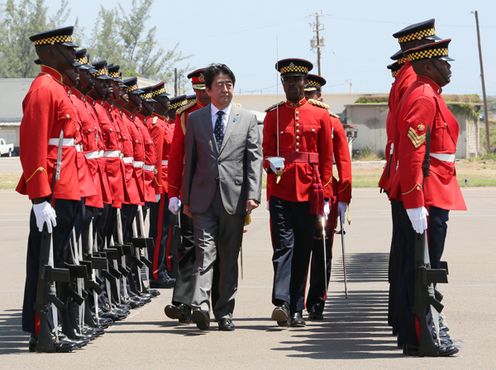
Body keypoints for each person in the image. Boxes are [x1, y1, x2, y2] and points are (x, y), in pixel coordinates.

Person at [389, 39, 466, 356]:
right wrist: (415, 201)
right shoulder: (423, 95)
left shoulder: (428, 92)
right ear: (426, 65)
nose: (448, 67)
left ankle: (418, 332)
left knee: (423, 266)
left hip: (435, 186)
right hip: (428, 190)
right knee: (422, 269)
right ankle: (422, 335)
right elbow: (412, 154)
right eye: (443, 62)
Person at [17, 26, 84, 352]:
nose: (73, 54)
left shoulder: (57, 88)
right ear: (50, 53)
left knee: (58, 263)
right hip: (54, 192)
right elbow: (33, 146)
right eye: (67, 49)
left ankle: (52, 327)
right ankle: (43, 331)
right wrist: (40, 197)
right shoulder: (44, 89)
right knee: (47, 265)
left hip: (67, 188)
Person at [182, 63, 262, 331]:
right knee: (205, 253)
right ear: (208, 90)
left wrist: (253, 194)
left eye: (229, 84)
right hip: (202, 198)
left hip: (235, 198)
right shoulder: (195, 120)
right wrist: (186, 199)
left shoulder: (247, 119)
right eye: (219, 85)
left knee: (229, 256)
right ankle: (200, 306)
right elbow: (189, 162)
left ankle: (224, 311)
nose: (225, 89)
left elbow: (253, 159)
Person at [381, 19, 442, 336]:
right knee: (412, 260)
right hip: (414, 181)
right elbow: (410, 144)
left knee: (406, 257)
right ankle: (413, 327)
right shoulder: (413, 84)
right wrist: (415, 193)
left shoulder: (406, 79)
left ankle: (406, 322)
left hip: (403, 177)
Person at [262, 58, 334, 327]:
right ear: (282, 83)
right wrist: (271, 164)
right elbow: (267, 152)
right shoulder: (273, 115)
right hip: (281, 189)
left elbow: (327, 158)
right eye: (287, 80)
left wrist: (325, 194)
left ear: (305, 82)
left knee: (304, 249)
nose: (292, 85)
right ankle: (281, 301)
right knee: (283, 248)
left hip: (310, 191)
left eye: (296, 80)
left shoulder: (320, 114)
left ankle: (296, 308)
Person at [303, 74, 352, 320]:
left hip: (326, 194)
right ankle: (294, 301)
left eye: (311, 96)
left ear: (320, 97)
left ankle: (317, 301)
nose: (308, 100)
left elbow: (343, 160)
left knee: (322, 250)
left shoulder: (332, 122)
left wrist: (344, 197)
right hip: (300, 192)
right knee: (299, 247)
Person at [164, 68, 211, 323]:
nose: (201, 95)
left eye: (205, 90)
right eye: (197, 90)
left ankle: (205, 302)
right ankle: (182, 303)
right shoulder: (185, 116)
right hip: (191, 192)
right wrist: (173, 193)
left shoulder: (224, 111)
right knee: (189, 247)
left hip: (216, 191)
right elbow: (175, 158)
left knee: (213, 251)